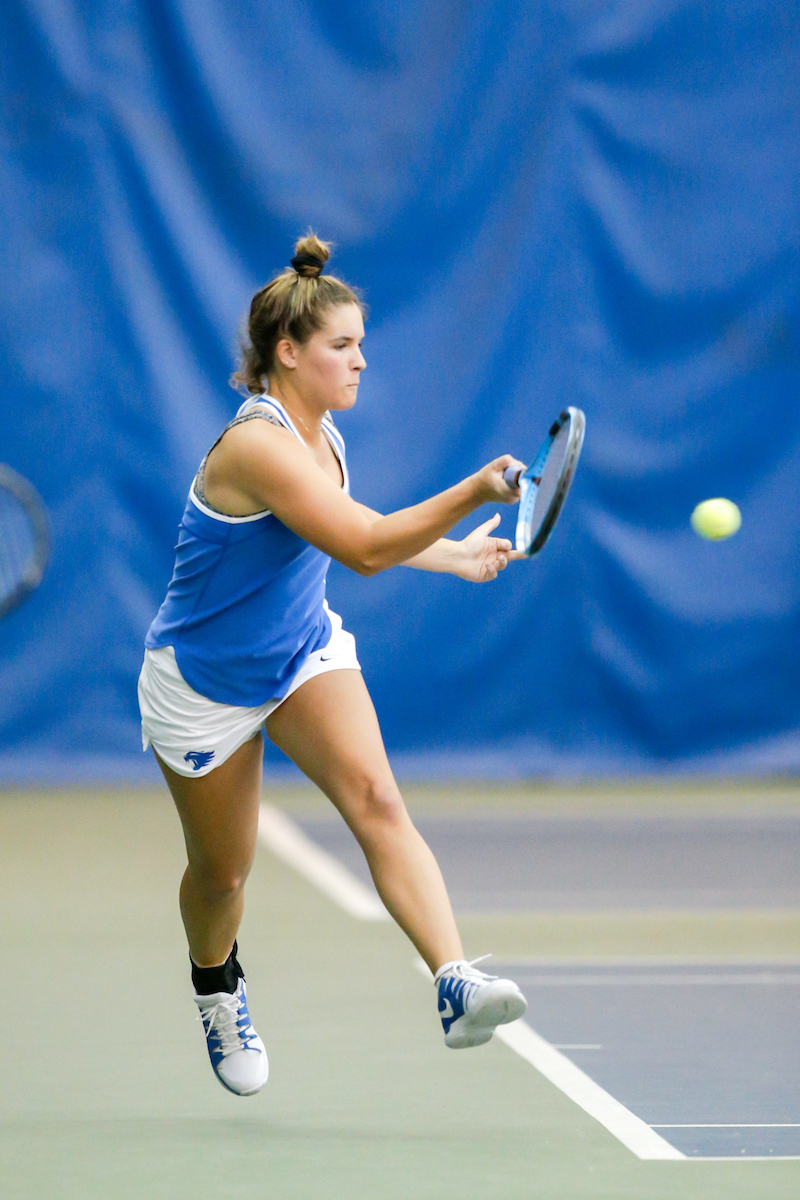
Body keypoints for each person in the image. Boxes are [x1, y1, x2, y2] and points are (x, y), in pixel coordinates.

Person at [138, 233, 528, 1097]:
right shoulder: (257, 446)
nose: (359, 363)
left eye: (361, 346)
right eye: (342, 347)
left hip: (300, 651)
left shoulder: (322, 437)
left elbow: (352, 524)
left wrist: (456, 554)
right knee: (222, 874)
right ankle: (217, 985)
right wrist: (472, 489)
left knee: (378, 799)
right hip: (202, 686)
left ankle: (453, 980)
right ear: (288, 353)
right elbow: (360, 547)